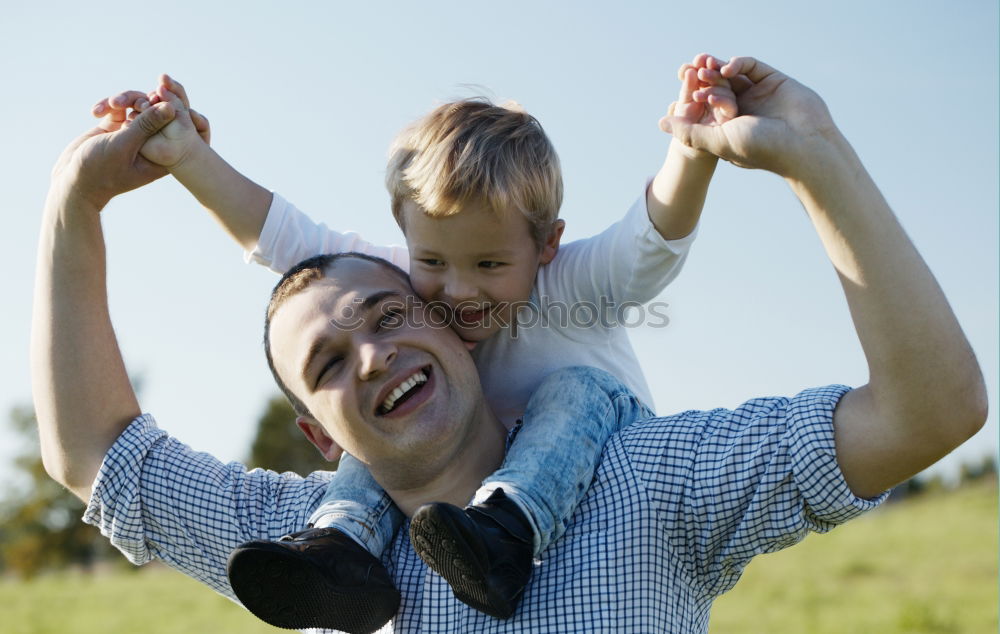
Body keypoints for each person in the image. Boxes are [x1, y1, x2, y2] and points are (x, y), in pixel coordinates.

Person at [32, 56, 986, 634]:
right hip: (345, 541)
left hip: (595, 450)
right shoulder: (297, 556)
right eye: (327, 365)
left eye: (391, 314)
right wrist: (78, 199)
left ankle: (508, 529)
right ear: (318, 439)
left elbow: (929, 413)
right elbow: (93, 454)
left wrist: (807, 153)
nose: (372, 350)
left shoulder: (648, 482)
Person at [90, 54, 738, 630]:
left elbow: (649, 242)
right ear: (406, 236)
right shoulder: (397, 283)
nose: (456, 292)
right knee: (366, 420)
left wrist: (691, 151)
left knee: (569, 390)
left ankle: (507, 536)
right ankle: (342, 552)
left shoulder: (572, 282)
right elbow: (286, 239)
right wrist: (188, 157)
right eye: (433, 262)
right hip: (463, 474)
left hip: (595, 449)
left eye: (489, 266)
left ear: (545, 244)